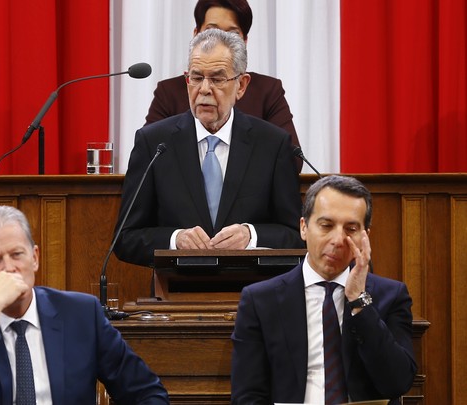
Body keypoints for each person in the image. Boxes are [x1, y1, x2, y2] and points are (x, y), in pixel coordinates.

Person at [0, 206, 169, 405]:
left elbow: (147, 394)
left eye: (17, 254)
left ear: (35, 258)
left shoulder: (81, 314)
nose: (9, 268)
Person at [113, 28, 303, 268]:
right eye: (196, 77)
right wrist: (175, 239)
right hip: (175, 293)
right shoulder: (154, 143)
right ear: (187, 80)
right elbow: (125, 238)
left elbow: (297, 234)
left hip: (251, 291)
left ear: (241, 85)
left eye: (217, 78)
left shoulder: (272, 144)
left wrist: (251, 235)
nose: (204, 89)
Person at [231, 175, 417, 404]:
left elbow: (397, 383)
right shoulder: (260, 300)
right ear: (304, 228)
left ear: (364, 237)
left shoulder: (391, 296)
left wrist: (359, 301)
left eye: (351, 228)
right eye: (326, 226)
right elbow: (247, 396)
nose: (338, 239)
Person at [145, 0, 303, 172]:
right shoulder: (169, 92)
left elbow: (291, 160)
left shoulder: (267, 90)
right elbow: (148, 157)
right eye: (212, 32)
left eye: (232, 34)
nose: (220, 41)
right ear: (196, 34)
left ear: (244, 41)